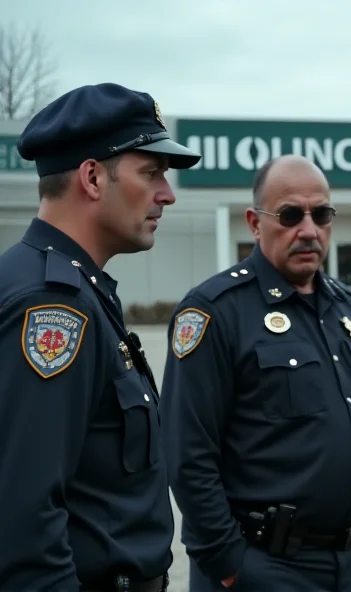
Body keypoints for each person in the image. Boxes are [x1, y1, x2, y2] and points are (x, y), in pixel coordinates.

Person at [0, 83, 201, 591]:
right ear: (92, 177)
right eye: (151, 172)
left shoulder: (67, 286)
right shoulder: (51, 306)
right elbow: (24, 524)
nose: (167, 194)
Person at [161, 154, 351, 592]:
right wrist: (229, 563)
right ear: (253, 222)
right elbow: (188, 455)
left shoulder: (348, 308)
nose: (308, 230)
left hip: (347, 562)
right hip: (261, 567)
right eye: (289, 215)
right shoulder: (215, 311)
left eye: (321, 214)